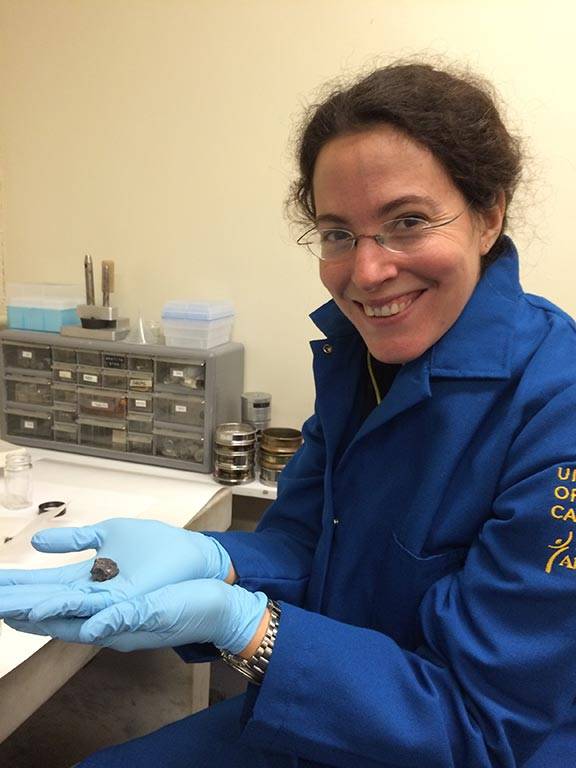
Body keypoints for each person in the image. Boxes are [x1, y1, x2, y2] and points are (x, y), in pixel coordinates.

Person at [1, 60, 575, 768]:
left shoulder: (556, 410)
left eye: (408, 222)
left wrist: (246, 626)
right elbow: (303, 540)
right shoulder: (360, 359)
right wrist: (215, 561)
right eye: (338, 234)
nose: (366, 273)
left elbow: (483, 726)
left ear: (490, 215)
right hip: (337, 708)